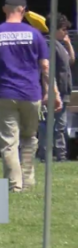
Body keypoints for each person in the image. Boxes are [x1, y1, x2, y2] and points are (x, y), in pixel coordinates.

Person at [0, 0, 60, 192]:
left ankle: (15, 184)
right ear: (23, 10)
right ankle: (28, 181)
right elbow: (46, 67)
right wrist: (53, 92)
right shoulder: (35, 35)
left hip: (4, 93)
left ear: (5, 9)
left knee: (8, 142)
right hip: (31, 94)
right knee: (30, 138)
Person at [37, 13, 74, 162]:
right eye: (63, 29)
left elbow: (70, 61)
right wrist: (50, 91)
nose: (65, 32)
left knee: (60, 125)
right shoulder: (49, 44)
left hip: (64, 91)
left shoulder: (60, 45)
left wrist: (68, 43)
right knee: (49, 124)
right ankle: (46, 153)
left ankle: (61, 154)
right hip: (54, 91)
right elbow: (47, 69)